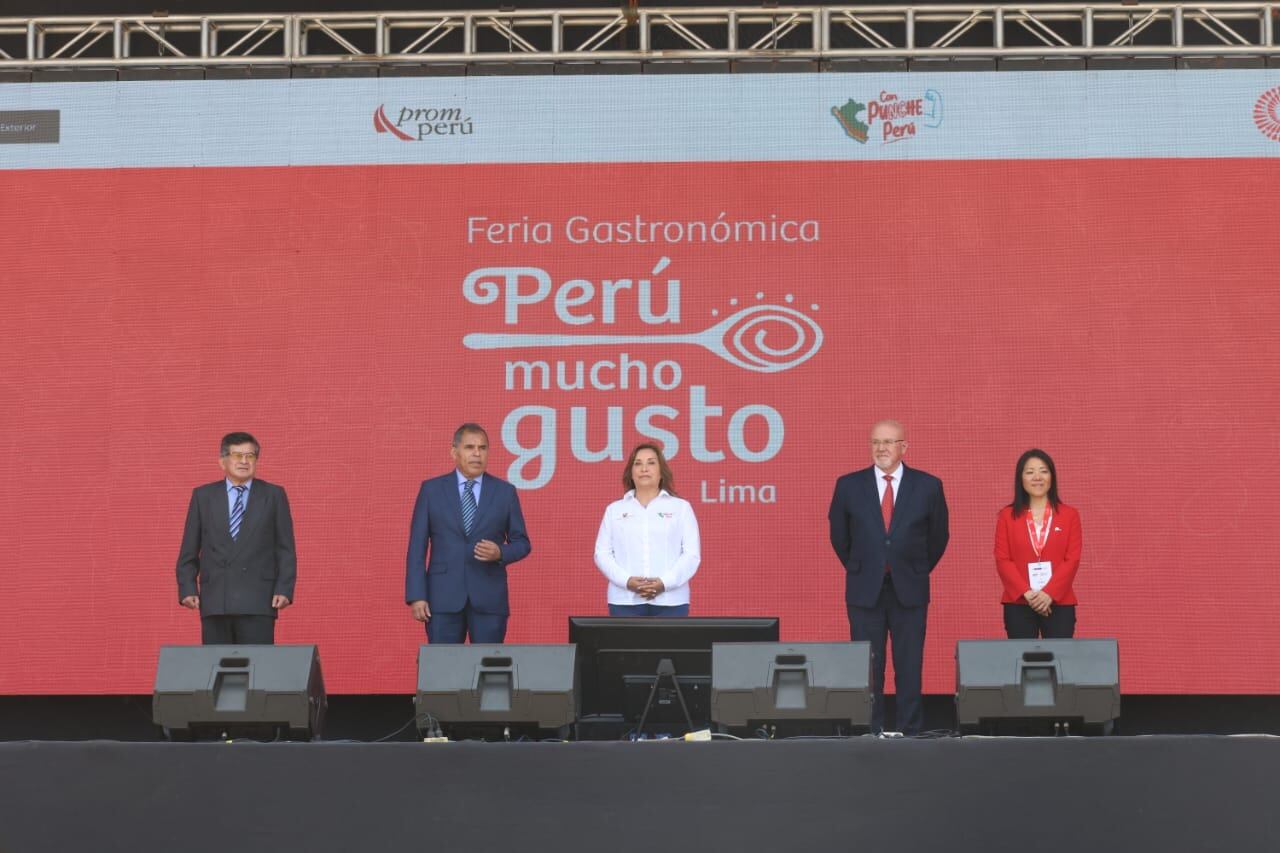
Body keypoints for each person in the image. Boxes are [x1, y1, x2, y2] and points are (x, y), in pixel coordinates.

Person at [828, 419, 949, 735]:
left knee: (909, 666)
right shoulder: (848, 485)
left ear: (904, 447)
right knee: (869, 667)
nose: (881, 448)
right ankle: (871, 730)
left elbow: (938, 538)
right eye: (875, 442)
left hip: (909, 589)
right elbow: (840, 538)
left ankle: (911, 731)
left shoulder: (928, 485)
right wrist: (865, 566)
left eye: (889, 442)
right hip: (864, 590)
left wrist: (912, 568)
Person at [406, 423, 531, 644]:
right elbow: (417, 547)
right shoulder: (431, 490)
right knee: (444, 670)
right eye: (470, 447)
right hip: (442, 599)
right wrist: (417, 596)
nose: (476, 454)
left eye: (483, 448)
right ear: (454, 452)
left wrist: (500, 552)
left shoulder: (505, 492)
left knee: (489, 670)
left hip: (489, 599)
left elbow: (522, 543)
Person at [176, 432, 296, 645]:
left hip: (259, 598)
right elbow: (189, 548)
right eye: (237, 455)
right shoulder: (203, 496)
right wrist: (187, 587)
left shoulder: (273, 495)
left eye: (250, 456)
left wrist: (284, 588)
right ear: (222, 461)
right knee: (217, 669)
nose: (244, 461)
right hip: (216, 600)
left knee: (257, 669)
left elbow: (285, 548)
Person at [594, 443, 701, 616]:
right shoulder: (614, 510)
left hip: (671, 601)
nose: (644, 468)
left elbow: (691, 555)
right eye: (638, 463)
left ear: (661, 472)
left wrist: (664, 583)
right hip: (624, 600)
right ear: (631, 472)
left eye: (651, 463)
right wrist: (627, 582)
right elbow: (602, 554)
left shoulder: (681, 508)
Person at [994, 449, 1081, 639]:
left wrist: (1049, 593)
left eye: (1043, 471)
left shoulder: (1070, 515)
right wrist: (1027, 593)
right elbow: (1002, 559)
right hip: (1019, 601)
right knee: (1023, 664)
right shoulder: (1006, 516)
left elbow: (1072, 559)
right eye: (1030, 472)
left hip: (1059, 601)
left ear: (1052, 476)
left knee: (1060, 663)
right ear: (1021, 478)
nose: (1037, 477)